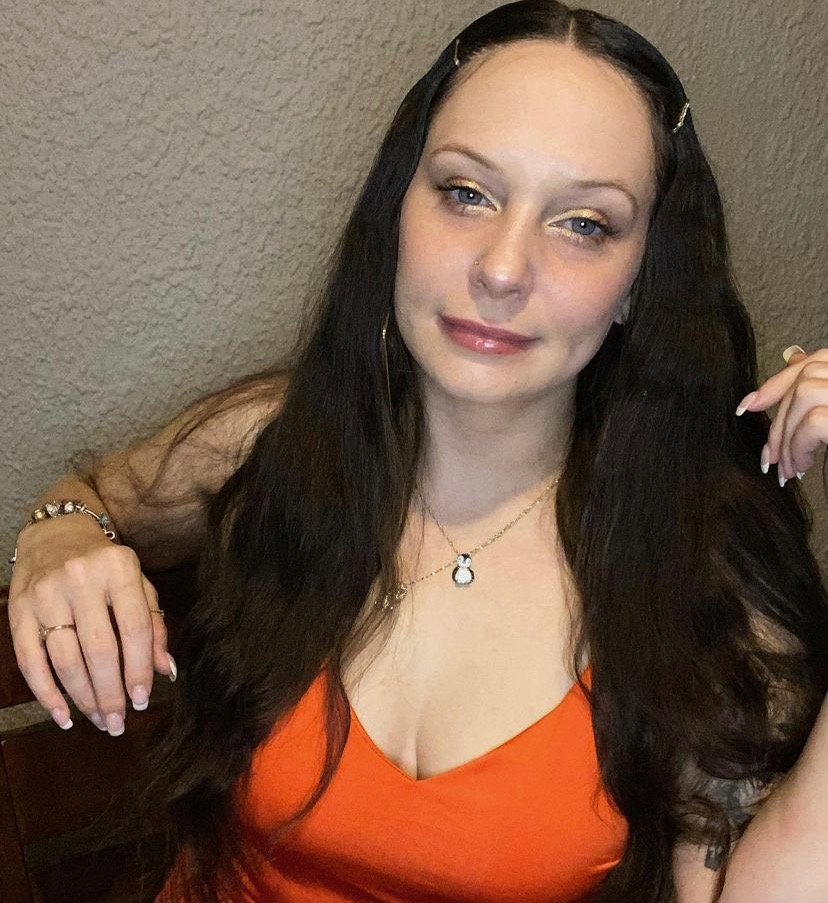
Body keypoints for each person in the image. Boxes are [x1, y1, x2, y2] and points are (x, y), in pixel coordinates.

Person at [7, 2, 828, 901]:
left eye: (585, 223)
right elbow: (93, 494)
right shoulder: (275, 435)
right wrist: (58, 534)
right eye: (467, 192)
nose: (502, 268)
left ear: (640, 280)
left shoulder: (705, 577)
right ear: (398, 207)